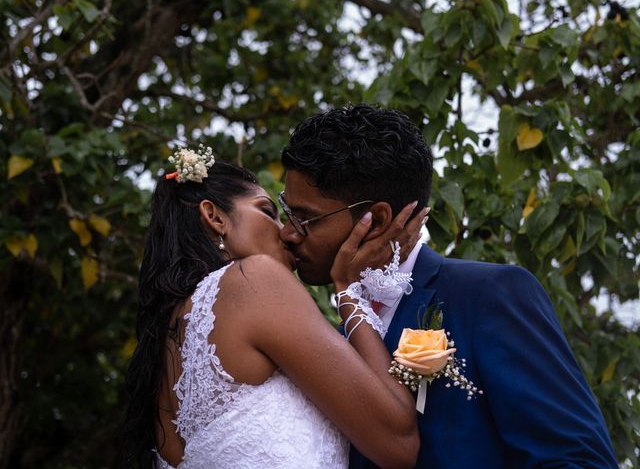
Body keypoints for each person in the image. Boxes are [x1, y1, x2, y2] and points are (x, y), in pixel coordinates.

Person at [279, 103, 618, 469]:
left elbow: (580, 461)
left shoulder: (488, 295)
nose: (287, 233)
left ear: (374, 220)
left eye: (305, 218)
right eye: (286, 213)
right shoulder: (330, 337)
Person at [122, 149, 426, 468]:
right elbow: (398, 445)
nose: (286, 232)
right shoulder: (253, 279)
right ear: (215, 217)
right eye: (268, 211)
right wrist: (348, 290)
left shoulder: (164, 349)